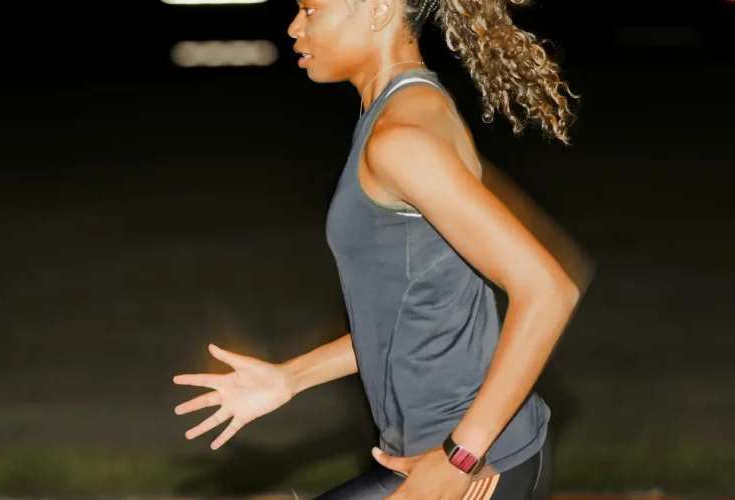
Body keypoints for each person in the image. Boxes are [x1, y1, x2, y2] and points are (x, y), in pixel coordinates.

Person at [173, 0, 586, 499]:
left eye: (310, 9)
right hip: (434, 457)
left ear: (377, 10)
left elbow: (547, 290)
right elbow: (414, 311)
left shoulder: (400, 139)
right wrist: (290, 378)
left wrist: (461, 454)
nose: (294, 26)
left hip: (472, 470)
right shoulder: (403, 109)